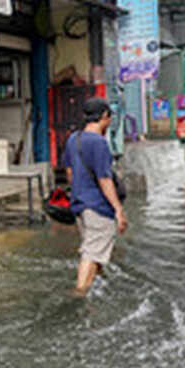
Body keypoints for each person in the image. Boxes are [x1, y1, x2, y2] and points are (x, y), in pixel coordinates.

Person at [61, 97, 127, 296]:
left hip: (80, 205)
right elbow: (104, 180)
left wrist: (78, 194)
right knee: (91, 253)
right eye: (109, 118)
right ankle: (80, 293)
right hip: (98, 207)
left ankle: (98, 283)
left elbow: (70, 171)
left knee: (94, 247)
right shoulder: (99, 143)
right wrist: (118, 210)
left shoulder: (74, 138)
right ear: (105, 117)